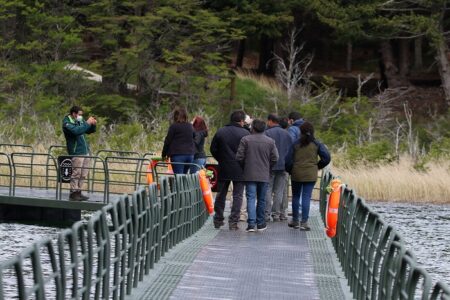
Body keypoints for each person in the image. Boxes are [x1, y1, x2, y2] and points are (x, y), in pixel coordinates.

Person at [285, 121, 331, 231]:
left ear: (300, 132)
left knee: (295, 197)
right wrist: (317, 166)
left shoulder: (295, 144)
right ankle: (304, 222)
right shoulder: (317, 144)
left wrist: (291, 170)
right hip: (311, 173)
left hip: (296, 173)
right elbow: (327, 158)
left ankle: (295, 220)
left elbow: (287, 160)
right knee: (306, 197)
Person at [236, 119, 279, 232]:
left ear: (253, 128)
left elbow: (239, 157)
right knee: (261, 199)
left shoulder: (245, 140)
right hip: (264, 174)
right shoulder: (270, 141)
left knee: (250, 198)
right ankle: (260, 223)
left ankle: (251, 224)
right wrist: (268, 167)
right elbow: (275, 158)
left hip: (249, 173)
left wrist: (245, 166)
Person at [210, 110, 250, 230]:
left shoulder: (221, 131)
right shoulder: (246, 133)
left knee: (221, 193)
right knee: (238, 195)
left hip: (224, 166)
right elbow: (248, 152)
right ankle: (233, 222)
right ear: (242, 121)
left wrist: (221, 158)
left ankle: (218, 219)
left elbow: (213, 149)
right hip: (240, 168)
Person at [62, 105, 97, 201]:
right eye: (79, 114)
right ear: (74, 114)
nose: (81, 116)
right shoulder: (67, 123)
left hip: (85, 151)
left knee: (84, 173)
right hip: (76, 151)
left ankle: (79, 191)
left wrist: (93, 124)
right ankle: (73, 192)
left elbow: (88, 130)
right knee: (76, 172)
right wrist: (87, 123)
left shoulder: (80, 121)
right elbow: (77, 131)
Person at [264, 114, 292, 222]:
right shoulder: (287, 134)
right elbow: (290, 151)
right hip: (283, 166)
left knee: (268, 190)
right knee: (279, 191)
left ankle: (266, 214)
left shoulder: (267, 133)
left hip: (269, 166)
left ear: (270, 121)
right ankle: (276, 214)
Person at [162, 107, 195, 174]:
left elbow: (167, 141)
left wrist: (163, 154)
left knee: (178, 178)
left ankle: (178, 184)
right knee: (184, 177)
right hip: (190, 155)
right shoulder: (190, 126)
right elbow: (194, 137)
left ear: (175, 116)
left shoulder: (174, 126)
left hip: (177, 155)